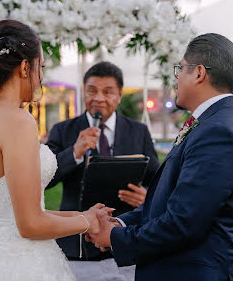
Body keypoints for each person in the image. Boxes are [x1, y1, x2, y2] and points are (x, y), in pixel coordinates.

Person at [88, 33, 233, 281]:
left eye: (180, 69)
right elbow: (170, 202)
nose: (176, 78)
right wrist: (119, 224)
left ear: (198, 73)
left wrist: (113, 237)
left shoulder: (219, 131)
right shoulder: (212, 122)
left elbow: (183, 223)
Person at [0, 20, 109, 281]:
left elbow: (15, 213)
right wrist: (88, 223)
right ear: (25, 67)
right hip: (24, 267)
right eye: (41, 67)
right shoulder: (18, 121)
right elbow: (30, 224)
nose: (41, 77)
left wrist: (83, 215)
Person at [46, 61, 160, 260]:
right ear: (84, 92)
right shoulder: (62, 130)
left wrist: (147, 197)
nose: (98, 98)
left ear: (119, 96)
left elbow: (157, 179)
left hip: (125, 238)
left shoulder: (139, 132)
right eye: (92, 91)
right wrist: (74, 152)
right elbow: (45, 179)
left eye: (107, 92)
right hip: (77, 241)